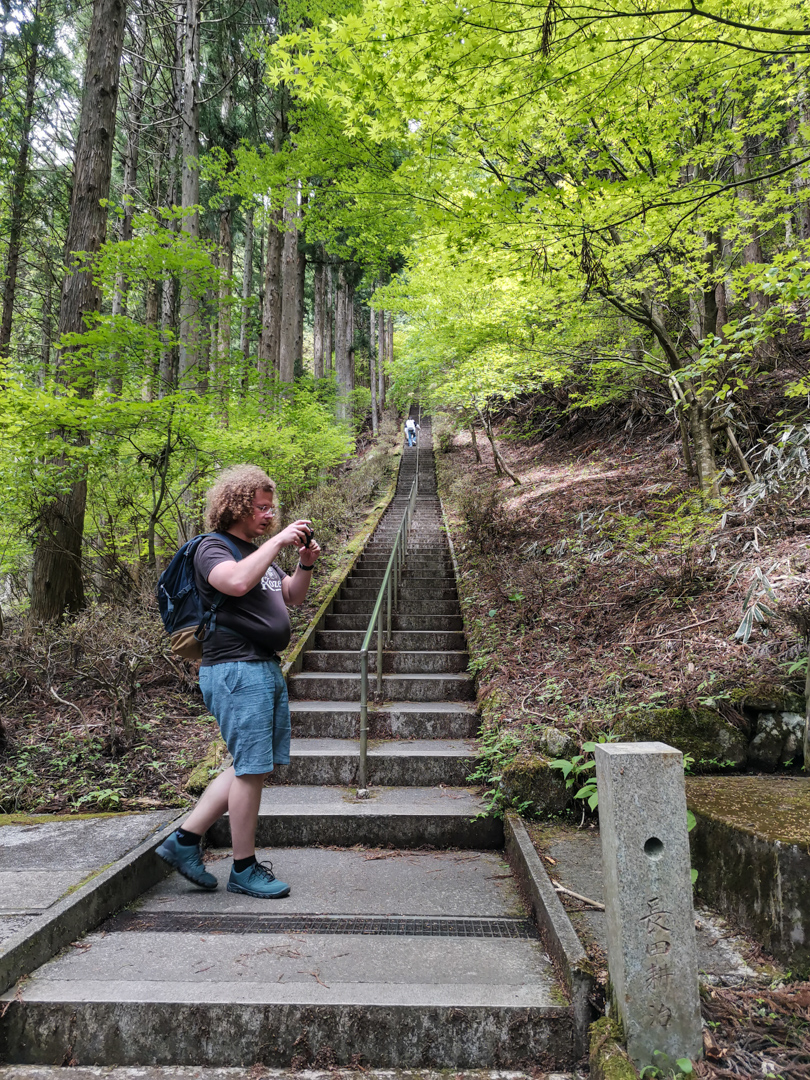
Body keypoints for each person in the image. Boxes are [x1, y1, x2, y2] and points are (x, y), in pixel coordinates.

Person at [156, 465, 321, 899]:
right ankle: (244, 868)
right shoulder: (213, 547)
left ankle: (185, 840)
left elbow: (291, 596)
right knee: (251, 768)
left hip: (261, 666)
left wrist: (303, 564)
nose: (270, 514)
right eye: (261, 507)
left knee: (248, 764)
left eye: (272, 508)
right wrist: (278, 540)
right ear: (237, 506)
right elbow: (233, 582)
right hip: (234, 668)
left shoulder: (256, 552)